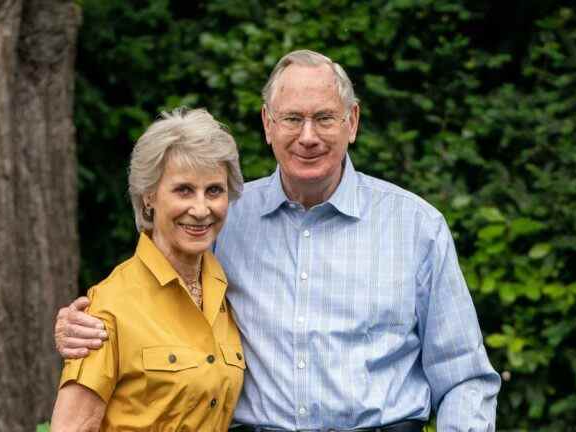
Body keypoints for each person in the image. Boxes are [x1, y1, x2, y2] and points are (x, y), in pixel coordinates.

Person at [55, 50, 501, 431]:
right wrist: (84, 326)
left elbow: (464, 379)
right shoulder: (223, 222)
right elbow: (151, 301)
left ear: (353, 121)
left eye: (324, 118)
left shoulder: (416, 227)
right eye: (292, 118)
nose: (307, 136)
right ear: (268, 124)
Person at [50, 107, 246, 431]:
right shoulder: (109, 306)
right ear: (149, 198)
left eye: (214, 190)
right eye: (183, 190)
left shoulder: (227, 292)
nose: (201, 209)